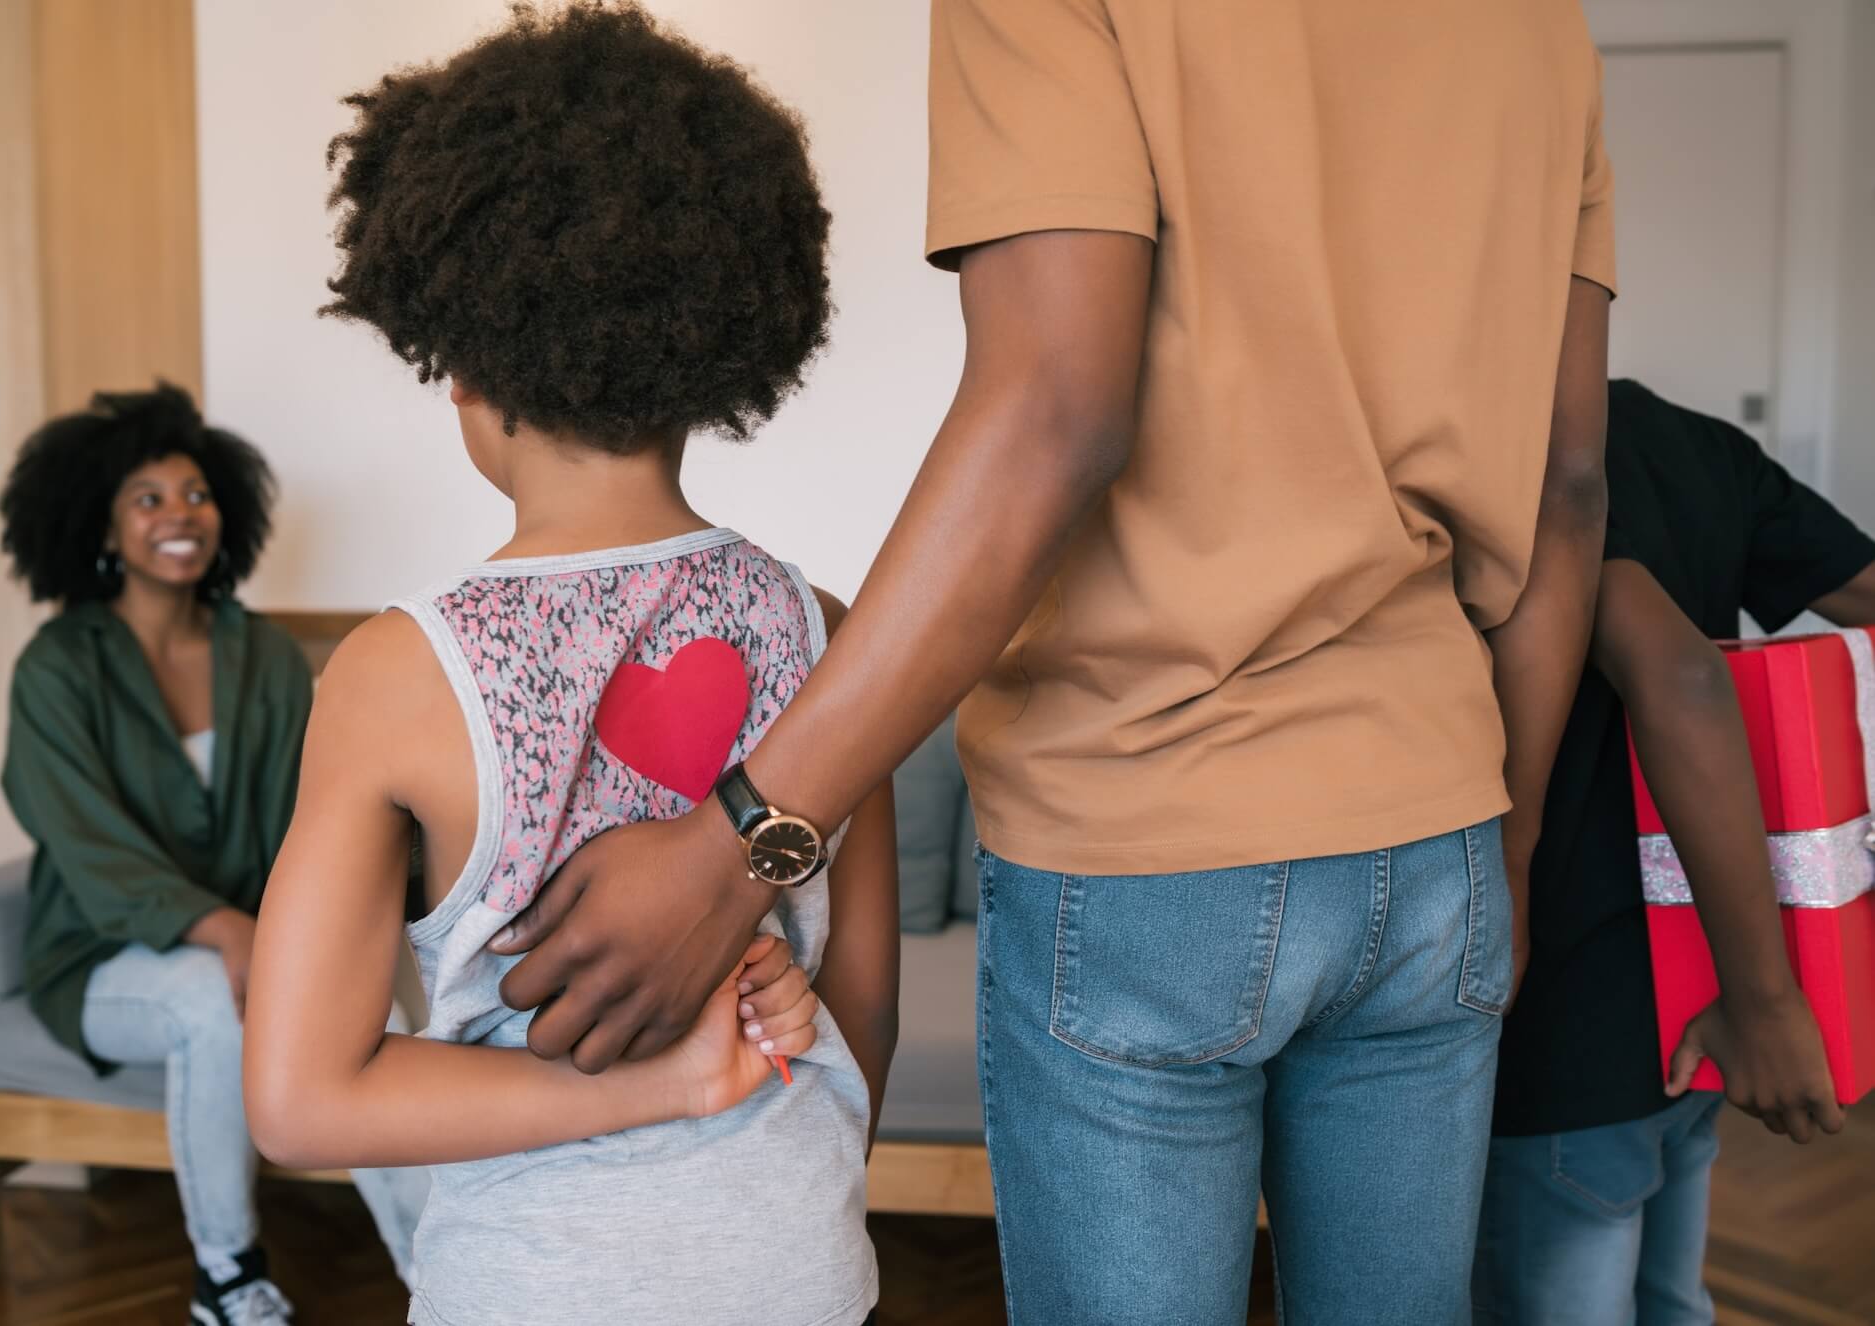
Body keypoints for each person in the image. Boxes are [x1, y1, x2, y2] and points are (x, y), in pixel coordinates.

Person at [492, 2, 1619, 1322]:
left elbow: (1054, 410)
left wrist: (737, 837)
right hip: (1441, 831)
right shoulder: (1540, 25)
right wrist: (1511, 845)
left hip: (1149, 826)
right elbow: (1571, 485)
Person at [238, 8, 899, 1326]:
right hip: (800, 1268)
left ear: (465, 360)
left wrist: (647, 1084)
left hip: (532, 1284)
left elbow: (299, 1101)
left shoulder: (392, 675)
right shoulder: (829, 629)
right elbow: (861, 1024)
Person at [0, 383, 424, 1326]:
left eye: (195, 493)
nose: (179, 514)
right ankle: (225, 1278)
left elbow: (303, 823)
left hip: (264, 936)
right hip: (108, 960)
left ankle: (442, 1275)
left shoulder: (263, 657)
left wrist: (296, 944)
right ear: (103, 525)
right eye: (147, 497)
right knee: (214, 1008)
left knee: (370, 1009)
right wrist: (230, 933)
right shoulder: (59, 669)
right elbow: (84, 842)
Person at [1474, 380, 1863, 1325]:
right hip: (1700, 1004)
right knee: (1673, 1304)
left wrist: (1768, 1001)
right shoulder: (1696, 444)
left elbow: (1682, 671)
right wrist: (1758, 996)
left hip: (1566, 1020)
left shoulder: (1504, 442)